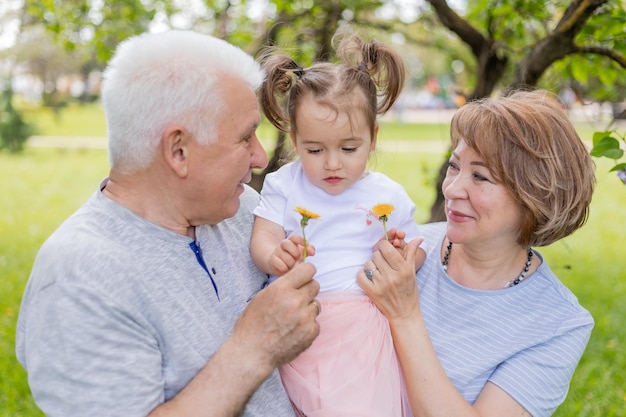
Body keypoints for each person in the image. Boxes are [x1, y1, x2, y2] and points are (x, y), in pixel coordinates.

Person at [15, 30, 323, 417]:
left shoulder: (244, 209)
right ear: (178, 150)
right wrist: (254, 349)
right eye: (245, 137)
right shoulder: (79, 277)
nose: (260, 157)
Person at [358, 89, 596, 417]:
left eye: (480, 176)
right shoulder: (408, 252)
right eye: (454, 167)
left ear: (534, 197)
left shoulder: (558, 323)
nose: (453, 189)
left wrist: (404, 314)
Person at [251, 33, 425, 416]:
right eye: (315, 150)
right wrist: (274, 255)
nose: (332, 163)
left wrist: (399, 256)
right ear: (295, 140)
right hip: (299, 313)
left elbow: (417, 249)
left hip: (361, 324)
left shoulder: (387, 193)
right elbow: (262, 237)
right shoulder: (284, 183)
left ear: (372, 138)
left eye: (349, 149)